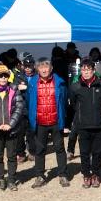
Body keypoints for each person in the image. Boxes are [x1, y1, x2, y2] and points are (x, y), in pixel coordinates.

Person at [0, 64, 29, 191]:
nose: (3, 78)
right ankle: (0, 178)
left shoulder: (14, 90)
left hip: (12, 129)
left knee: (12, 156)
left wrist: (10, 124)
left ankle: (12, 179)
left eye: (5, 76)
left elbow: (19, 108)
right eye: (0, 76)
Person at [67, 59, 101, 188]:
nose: (86, 72)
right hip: (83, 125)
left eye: (88, 70)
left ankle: (96, 175)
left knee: (97, 152)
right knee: (84, 152)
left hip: (99, 124)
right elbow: (74, 104)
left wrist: (97, 111)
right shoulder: (75, 86)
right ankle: (86, 175)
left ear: (93, 70)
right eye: (83, 70)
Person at [26, 59, 70, 188]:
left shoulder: (60, 83)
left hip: (56, 121)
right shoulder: (33, 83)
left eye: (46, 67)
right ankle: (40, 176)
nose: (44, 70)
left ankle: (62, 175)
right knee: (40, 150)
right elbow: (29, 101)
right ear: (37, 69)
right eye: (41, 67)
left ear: (51, 68)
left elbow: (64, 100)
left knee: (60, 149)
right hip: (40, 122)